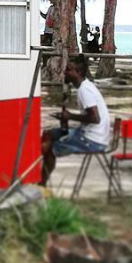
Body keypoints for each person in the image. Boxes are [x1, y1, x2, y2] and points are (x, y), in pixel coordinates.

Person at [41, 54, 111, 186]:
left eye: (68, 69)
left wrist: (70, 116)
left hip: (92, 140)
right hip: (90, 135)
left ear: (77, 72)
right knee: (48, 134)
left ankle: (41, 184)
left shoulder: (85, 90)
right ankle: (37, 172)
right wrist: (66, 117)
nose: (64, 72)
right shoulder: (84, 86)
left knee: (50, 150)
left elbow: (95, 118)